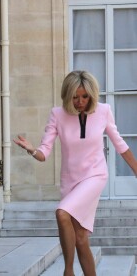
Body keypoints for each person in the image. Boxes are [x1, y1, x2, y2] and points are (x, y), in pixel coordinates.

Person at [13, 70, 137, 276]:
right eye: (75, 97)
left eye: (85, 97)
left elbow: (120, 143)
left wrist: (135, 168)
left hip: (95, 175)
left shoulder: (104, 111)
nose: (80, 101)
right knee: (80, 238)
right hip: (70, 181)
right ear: (67, 95)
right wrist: (32, 149)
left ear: (92, 95)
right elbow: (44, 152)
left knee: (62, 213)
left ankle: (68, 271)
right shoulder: (57, 114)